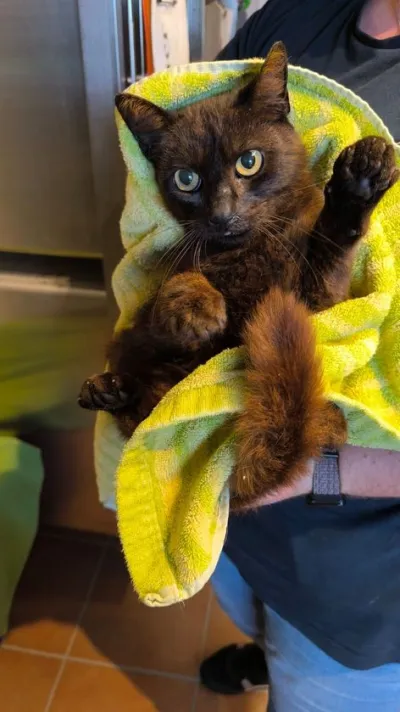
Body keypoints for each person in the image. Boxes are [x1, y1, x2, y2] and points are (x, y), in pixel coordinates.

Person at [199, 1, 400, 710]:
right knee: (249, 605)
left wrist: (315, 467)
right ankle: (265, 645)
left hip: (353, 589)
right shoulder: (298, 14)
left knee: (310, 682)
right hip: (240, 506)